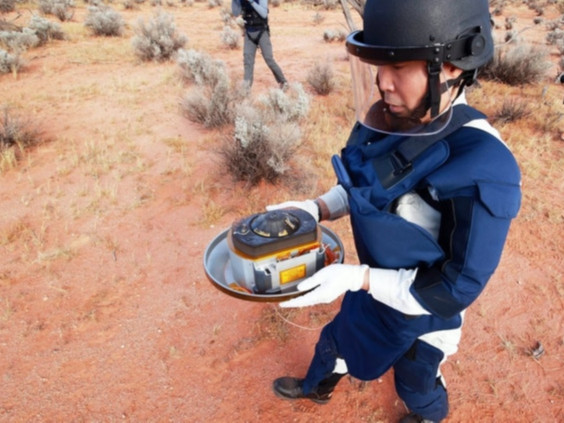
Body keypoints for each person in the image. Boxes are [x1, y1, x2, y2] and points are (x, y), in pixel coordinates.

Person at [267, 0, 522, 422]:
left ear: (454, 66)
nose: (383, 83)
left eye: (399, 65)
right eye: (377, 65)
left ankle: (427, 415)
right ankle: (317, 387)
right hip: (374, 295)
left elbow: (452, 290)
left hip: (423, 317)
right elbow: (364, 187)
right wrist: (316, 209)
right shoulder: (391, 118)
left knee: (415, 380)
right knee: (335, 343)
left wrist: (359, 277)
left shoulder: (484, 167)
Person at [231, 0, 287, 90]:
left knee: (269, 59)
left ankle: (283, 82)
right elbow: (236, 13)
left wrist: (252, 2)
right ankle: (246, 88)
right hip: (249, 33)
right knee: (247, 61)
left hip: (262, 32)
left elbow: (264, 14)